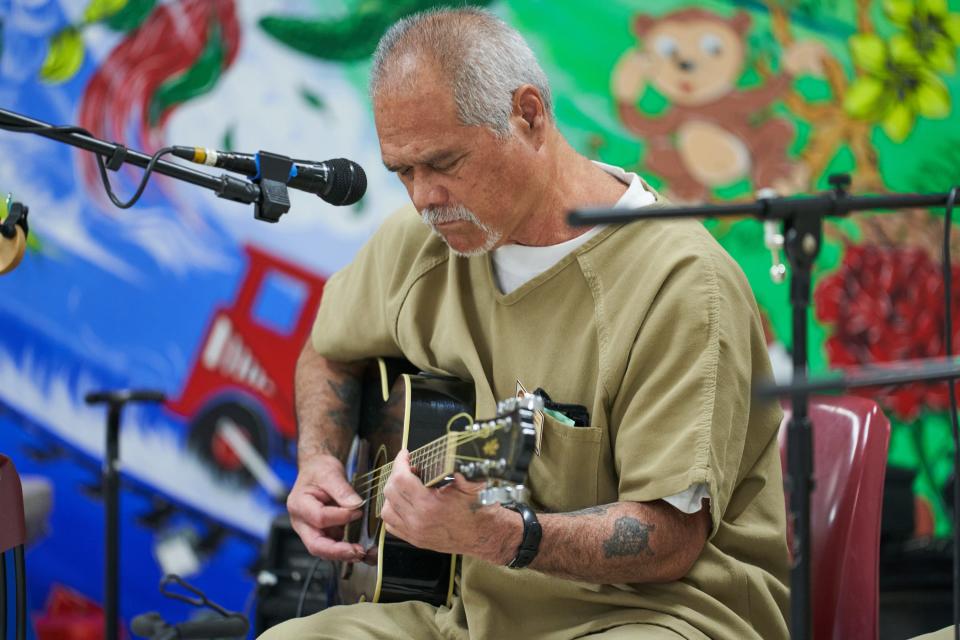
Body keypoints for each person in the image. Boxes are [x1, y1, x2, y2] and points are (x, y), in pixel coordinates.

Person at [261, 7, 788, 640]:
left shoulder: (680, 282)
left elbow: (668, 539)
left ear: (529, 116)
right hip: (466, 617)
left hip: (654, 616)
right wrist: (317, 459)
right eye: (403, 171)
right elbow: (328, 351)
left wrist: (502, 536)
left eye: (444, 162)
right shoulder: (420, 242)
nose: (423, 197)